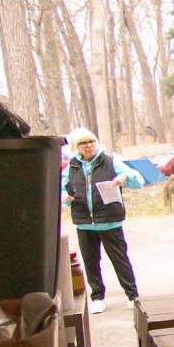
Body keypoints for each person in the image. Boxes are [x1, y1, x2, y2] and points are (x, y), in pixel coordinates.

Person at [61, 128, 144, 314]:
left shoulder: (111, 162)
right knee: (91, 262)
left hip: (110, 221)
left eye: (91, 141)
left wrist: (125, 177)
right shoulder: (71, 167)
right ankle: (97, 297)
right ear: (76, 147)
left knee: (120, 259)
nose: (89, 145)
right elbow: (61, 191)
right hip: (84, 223)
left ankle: (133, 295)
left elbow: (138, 180)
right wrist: (65, 198)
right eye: (84, 143)